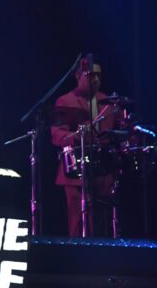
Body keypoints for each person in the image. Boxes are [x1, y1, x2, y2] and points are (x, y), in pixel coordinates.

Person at [50, 60, 119, 237]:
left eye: (98, 76)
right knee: (78, 222)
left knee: (102, 221)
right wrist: (75, 136)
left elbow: (117, 132)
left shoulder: (108, 102)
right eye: (91, 75)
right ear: (77, 76)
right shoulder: (65, 101)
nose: (96, 80)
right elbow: (57, 134)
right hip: (76, 170)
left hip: (102, 171)